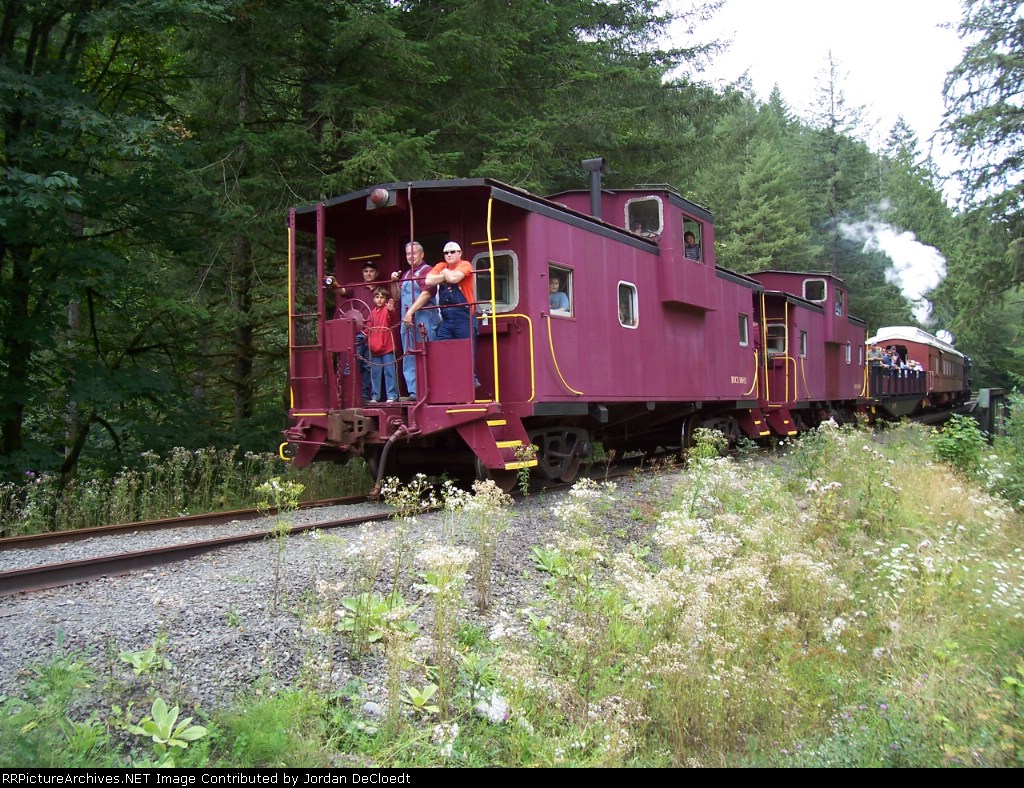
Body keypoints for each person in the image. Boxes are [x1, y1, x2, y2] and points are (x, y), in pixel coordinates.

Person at [391, 241, 439, 401]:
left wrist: (410, 312)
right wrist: (393, 282)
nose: (410, 257)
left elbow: (427, 293)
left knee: (427, 353)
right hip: (407, 321)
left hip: (424, 319)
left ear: (422, 254)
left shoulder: (428, 271)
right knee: (408, 354)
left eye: (414, 253)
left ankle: (430, 391)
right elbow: (397, 297)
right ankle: (414, 392)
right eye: (408, 254)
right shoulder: (405, 274)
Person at [330, 261, 379, 402]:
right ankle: (351, 397)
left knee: (370, 367)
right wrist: (333, 283)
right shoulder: (356, 287)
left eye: (371, 271)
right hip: (358, 334)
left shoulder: (380, 292)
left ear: (376, 273)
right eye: (366, 271)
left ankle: (365, 396)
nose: (368, 274)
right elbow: (340, 290)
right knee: (353, 365)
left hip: (374, 334)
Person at [426, 241, 475, 340]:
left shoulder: (465, 264)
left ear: (460, 253)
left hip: (464, 317)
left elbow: (454, 279)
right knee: (443, 346)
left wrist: (445, 273)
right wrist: (446, 275)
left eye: (452, 252)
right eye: (446, 253)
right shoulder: (441, 266)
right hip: (446, 318)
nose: (449, 254)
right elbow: (428, 280)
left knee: (466, 350)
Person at [366, 287, 399, 403]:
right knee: (375, 374)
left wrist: (390, 310)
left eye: (382, 297)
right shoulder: (372, 313)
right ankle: (375, 396)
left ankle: (392, 395)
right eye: (377, 297)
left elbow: (391, 315)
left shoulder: (386, 309)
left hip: (387, 347)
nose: (379, 300)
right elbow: (367, 329)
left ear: (385, 299)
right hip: (375, 348)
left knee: (389, 372)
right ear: (374, 299)